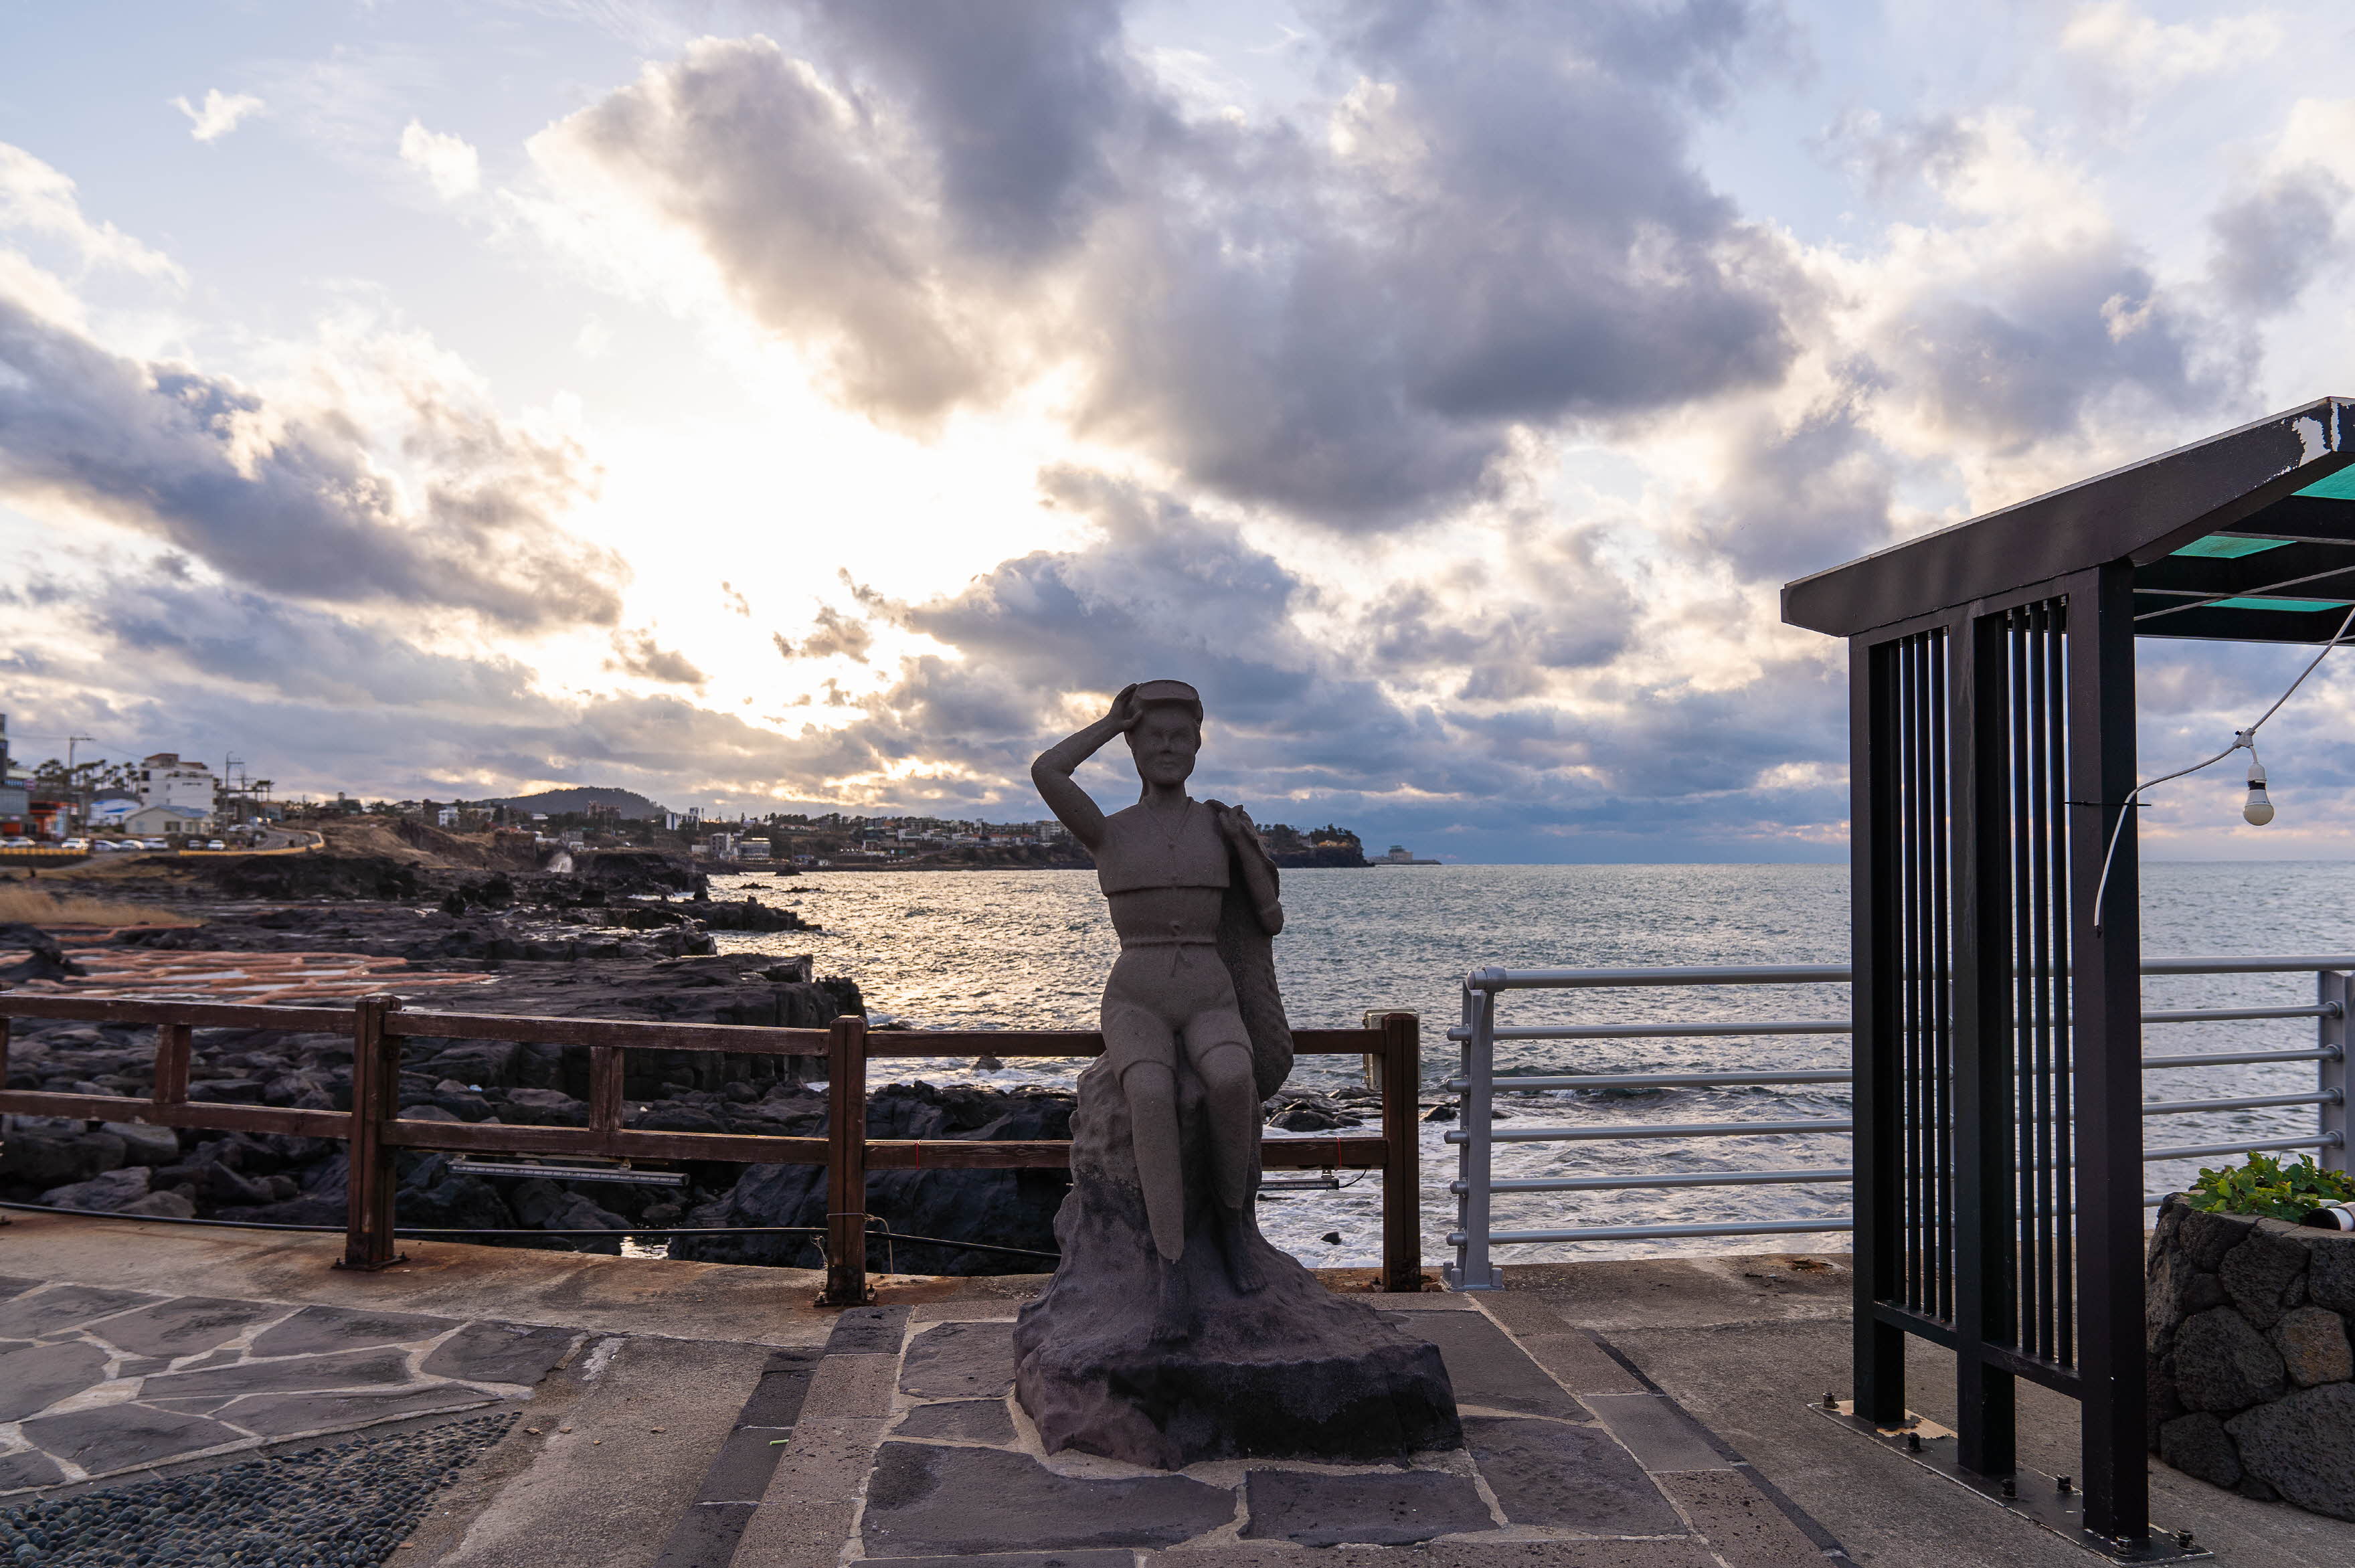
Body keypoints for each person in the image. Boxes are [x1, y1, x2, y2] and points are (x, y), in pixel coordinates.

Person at [1031, 679, 1286, 1336]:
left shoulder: (1218, 826)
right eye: (1153, 738)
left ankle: (1231, 1229)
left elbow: (1269, 919)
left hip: (1209, 988)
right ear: (1134, 747)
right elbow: (1047, 770)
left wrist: (1250, 854)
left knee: (1232, 1080)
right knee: (1149, 1090)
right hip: (1137, 994)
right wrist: (1110, 722)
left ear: (1199, 744)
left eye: (1181, 737)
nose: (1167, 748)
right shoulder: (1108, 831)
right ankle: (1171, 1262)